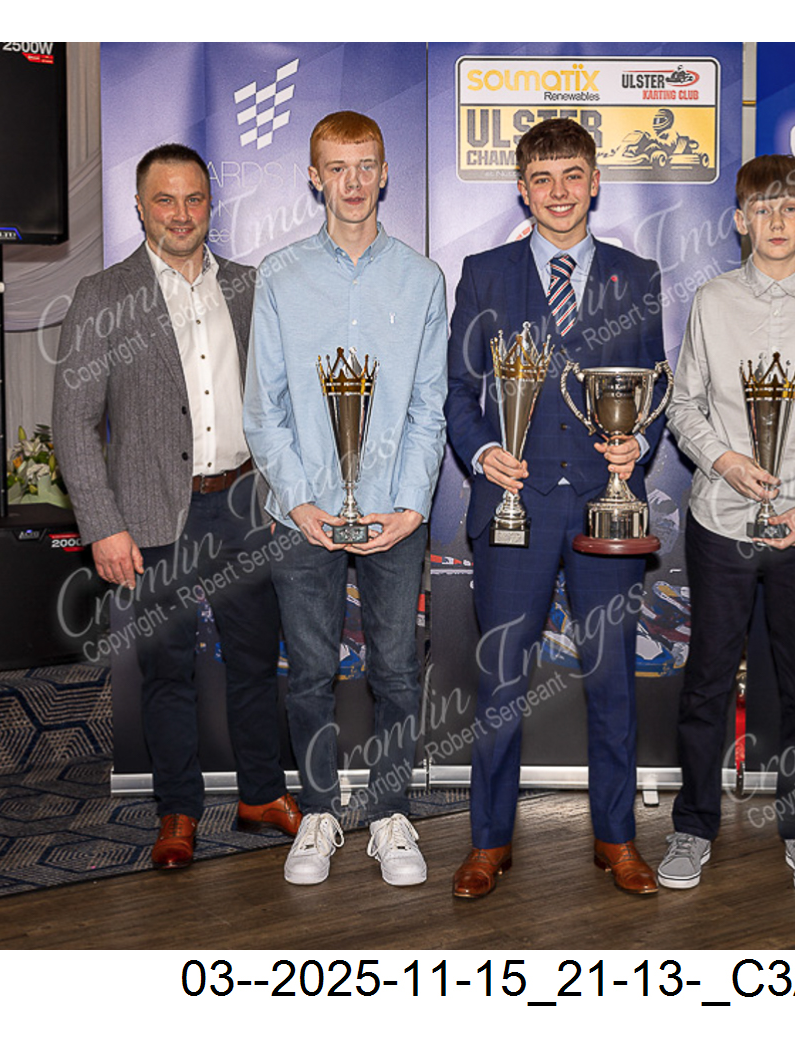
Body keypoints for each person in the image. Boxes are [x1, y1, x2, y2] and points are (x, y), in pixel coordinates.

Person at [53, 143, 299, 870]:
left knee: (256, 661)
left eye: (194, 199)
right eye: (165, 200)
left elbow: (282, 397)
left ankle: (261, 794)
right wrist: (104, 526)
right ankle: (178, 812)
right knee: (167, 672)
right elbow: (73, 424)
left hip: (246, 505)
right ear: (139, 207)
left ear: (210, 204)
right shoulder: (103, 296)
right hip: (151, 515)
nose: (181, 214)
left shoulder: (252, 286)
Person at [444, 118, 666, 898]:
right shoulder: (484, 274)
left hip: (608, 512)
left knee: (612, 683)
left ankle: (617, 839)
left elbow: (656, 385)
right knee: (501, 686)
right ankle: (488, 843)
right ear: (522, 189)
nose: (559, 192)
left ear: (595, 182)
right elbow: (458, 392)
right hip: (514, 509)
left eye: (573, 175)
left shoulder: (637, 275)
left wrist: (639, 444)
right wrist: (483, 451)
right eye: (542, 179)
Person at [658, 155, 795, 897]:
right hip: (722, 521)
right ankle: (693, 827)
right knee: (707, 682)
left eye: (789, 208)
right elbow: (684, 406)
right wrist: (723, 461)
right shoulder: (712, 301)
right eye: (761, 209)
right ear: (740, 220)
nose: (775, 222)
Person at [244, 111, 448, 887]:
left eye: (366, 166)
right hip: (302, 515)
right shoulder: (280, 275)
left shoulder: (421, 279)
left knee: (396, 671)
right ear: (314, 176)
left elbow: (429, 406)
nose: (353, 182)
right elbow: (263, 409)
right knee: (307, 673)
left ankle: (390, 813)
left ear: (385, 173)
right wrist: (300, 501)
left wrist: (412, 505)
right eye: (338, 167)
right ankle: (320, 812)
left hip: (394, 512)